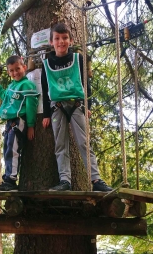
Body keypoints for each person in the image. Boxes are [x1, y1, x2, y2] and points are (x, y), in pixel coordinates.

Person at [41, 23, 113, 192]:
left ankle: (96, 180)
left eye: (65, 38)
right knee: (60, 145)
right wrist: (45, 113)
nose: (61, 42)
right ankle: (65, 181)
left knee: (84, 143)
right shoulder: (46, 64)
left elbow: (85, 83)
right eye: (57, 38)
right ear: (51, 42)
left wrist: (88, 105)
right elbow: (45, 90)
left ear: (71, 40)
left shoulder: (77, 59)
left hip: (76, 105)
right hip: (56, 107)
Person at [0, 55, 39, 192]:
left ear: (24, 67)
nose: (15, 73)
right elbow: (6, 98)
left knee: (12, 149)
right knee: (7, 149)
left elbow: (31, 106)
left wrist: (30, 125)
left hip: (19, 121)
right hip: (10, 122)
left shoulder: (27, 84)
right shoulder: (12, 85)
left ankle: (10, 181)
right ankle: (8, 178)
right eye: (11, 70)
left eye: (17, 69)